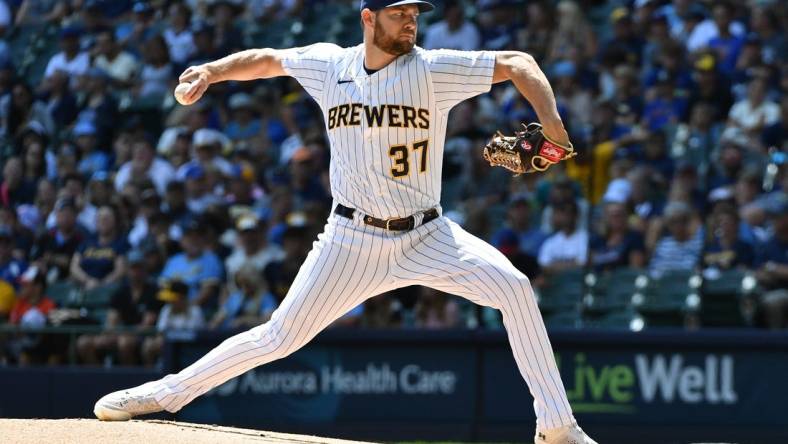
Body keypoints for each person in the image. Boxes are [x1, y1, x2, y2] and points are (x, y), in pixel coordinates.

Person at [93, 2, 596, 443]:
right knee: (277, 337)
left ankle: (557, 428)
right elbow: (269, 60)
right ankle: (163, 394)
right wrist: (210, 70)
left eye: (415, 15)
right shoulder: (330, 65)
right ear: (368, 18)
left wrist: (553, 130)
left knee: (514, 288)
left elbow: (518, 63)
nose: (410, 23)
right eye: (399, 13)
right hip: (351, 239)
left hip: (427, 233)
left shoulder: (432, 70)